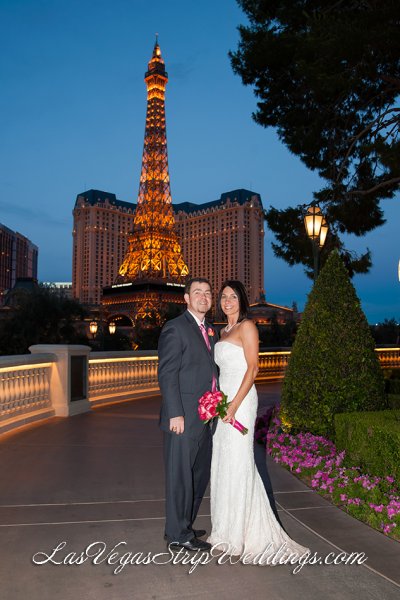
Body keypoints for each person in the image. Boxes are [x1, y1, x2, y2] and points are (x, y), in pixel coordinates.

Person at [207, 280, 309, 562]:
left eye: (233, 296)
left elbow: (253, 369)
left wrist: (234, 406)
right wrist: (217, 402)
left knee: (240, 461)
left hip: (240, 402)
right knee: (223, 461)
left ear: (242, 300)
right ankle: (226, 530)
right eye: (223, 297)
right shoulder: (223, 331)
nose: (227, 301)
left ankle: (244, 533)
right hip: (224, 402)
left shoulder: (247, 327)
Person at [158, 277, 218, 551]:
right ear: (186, 298)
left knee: (198, 475)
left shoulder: (210, 329)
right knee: (180, 477)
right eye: (197, 292)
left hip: (205, 417)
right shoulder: (175, 328)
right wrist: (175, 413)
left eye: (207, 293)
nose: (203, 297)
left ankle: (184, 524)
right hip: (182, 418)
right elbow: (167, 373)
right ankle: (178, 535)